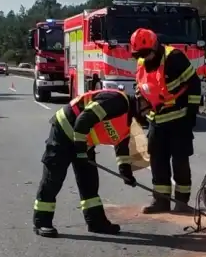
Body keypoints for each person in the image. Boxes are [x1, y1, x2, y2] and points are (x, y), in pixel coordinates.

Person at [32, 86, 141, 237]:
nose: (148, 114)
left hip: (82, 141)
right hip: (64, 132)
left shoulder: (128, 121)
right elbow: (84, 119)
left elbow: (121, 147)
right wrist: (80, 149)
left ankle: (96, 223)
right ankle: (41, 222)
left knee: (89, 181)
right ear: (142, 102)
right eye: (149, 110)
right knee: (53, 178)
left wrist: (125, 172)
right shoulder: (117, 101)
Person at [131, 27, 201, 214]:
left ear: (155, 46)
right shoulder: (141, 62)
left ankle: (182, 202)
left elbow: (194, 83)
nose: (144, 58)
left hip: (179, 120)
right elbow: (142, 86)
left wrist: (191, 114)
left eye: (146, 53)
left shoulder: (174, 58)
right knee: (157, 161)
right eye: (140, 54)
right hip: (156, 121)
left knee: (179, 162)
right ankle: (161, 201)